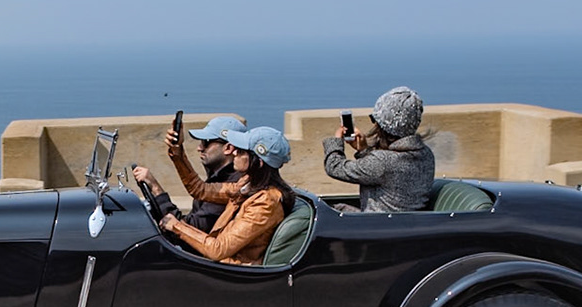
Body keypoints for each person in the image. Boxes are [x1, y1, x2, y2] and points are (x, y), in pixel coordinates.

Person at [156, 127, 294, 266]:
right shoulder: (246, 185)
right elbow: (199, 189)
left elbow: (218, 249)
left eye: (240, 151)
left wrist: (177, 226)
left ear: (258, 162)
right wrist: (177, 152)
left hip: (233, 273)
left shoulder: (265, 203)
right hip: (218, 264)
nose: (234, 153)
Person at [323, 86, 435, 212]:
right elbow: (383, 173)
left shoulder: (382, 162)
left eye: (374, 119)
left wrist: (336, 141)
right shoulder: (426, 154)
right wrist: (364, 150)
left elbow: (334, 167)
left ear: (383, 125)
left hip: (376, 225)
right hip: (404, 224)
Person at [130, 114, 245, 233]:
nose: (199, 148)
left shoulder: (231, 186)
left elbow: (188, 230)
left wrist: (156, 189)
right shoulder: (219, 176)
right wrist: (177, 150)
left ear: (228, 148)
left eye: (205, 143)